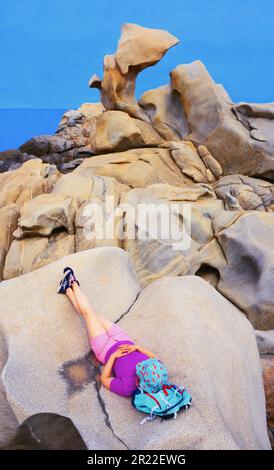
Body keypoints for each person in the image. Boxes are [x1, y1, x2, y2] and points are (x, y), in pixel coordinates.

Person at [58, 267, 156, 397]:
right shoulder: (157, 372)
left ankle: (73, 281)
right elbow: (155, 358)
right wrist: (136, 347)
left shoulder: (128, 388)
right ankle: (68, 289)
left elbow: (105, 379)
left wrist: (114, 356)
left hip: (105, 348)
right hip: (122, 338)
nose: (140, 366)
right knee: (91, 313)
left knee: (88, 313)